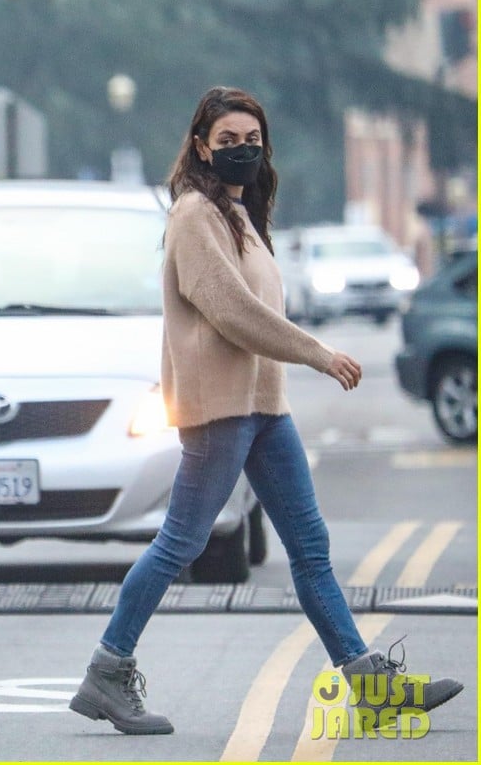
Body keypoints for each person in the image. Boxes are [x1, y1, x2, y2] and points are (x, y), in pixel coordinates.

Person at [68, 86, 463, 735]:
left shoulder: (240, 210)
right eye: (227, 142)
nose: (242, 150)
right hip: (220, 408)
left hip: (263, 407)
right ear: (200, 146)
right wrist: (316, 352)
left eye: (251, 140)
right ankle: (107, 669)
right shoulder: (195, 214)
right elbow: (232, 310)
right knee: (182, 541)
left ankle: (368, 684)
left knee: (310, 547)